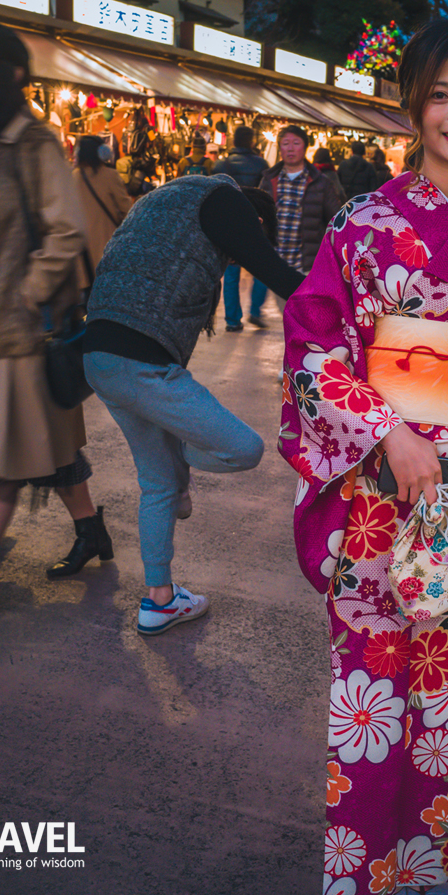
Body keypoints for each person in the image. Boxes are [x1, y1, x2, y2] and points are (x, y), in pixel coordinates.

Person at [280, 18, 448, 895]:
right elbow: (313, 342)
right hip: (377, 491)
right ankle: (369, 858)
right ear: (413, 106)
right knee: (374, 677)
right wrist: (387, 431)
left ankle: (430, 854)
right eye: (439, 94)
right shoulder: (363, 224)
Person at [0, 21, 107, 621]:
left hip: (18, 330)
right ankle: (91, 531)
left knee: (0, 455)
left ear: (10, 73)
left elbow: (65, 230)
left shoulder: (31, 143)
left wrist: (24, 292)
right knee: (46, 442)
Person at [83, 179, 304, 633]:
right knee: (243, 449)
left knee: (158, 485)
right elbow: (274, 271)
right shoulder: (225, 201)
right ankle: (178, 465)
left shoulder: (169, 200)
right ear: (256, 219)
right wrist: (346, 304)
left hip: (98, 355)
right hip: (141, 361)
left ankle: (159, 599)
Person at [254, 125, 344, 309]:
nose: (290, 148)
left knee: (307, 317)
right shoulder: (269, 180)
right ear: (280, 148)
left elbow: (336, 221)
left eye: (296, 143)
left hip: (308, 265)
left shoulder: (320, 183)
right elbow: (257, 215)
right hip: (278, 265)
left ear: (305, 147)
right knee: (287, 317)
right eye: (285, 143)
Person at [212, 125, 273, 331]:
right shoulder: (262, 165)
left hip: (229, 224)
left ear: (234, 141)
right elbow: (267, 197)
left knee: (231, 274)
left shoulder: (222, 165)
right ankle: (255, 310)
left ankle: (232, 320)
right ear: (252, 142)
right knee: (263, 270)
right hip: (255, 223)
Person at [73, 134, 132, 274]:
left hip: (81, 256)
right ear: (103, 153)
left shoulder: (72, 177)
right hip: (107, 251)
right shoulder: (110, 176)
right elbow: (127, 211)